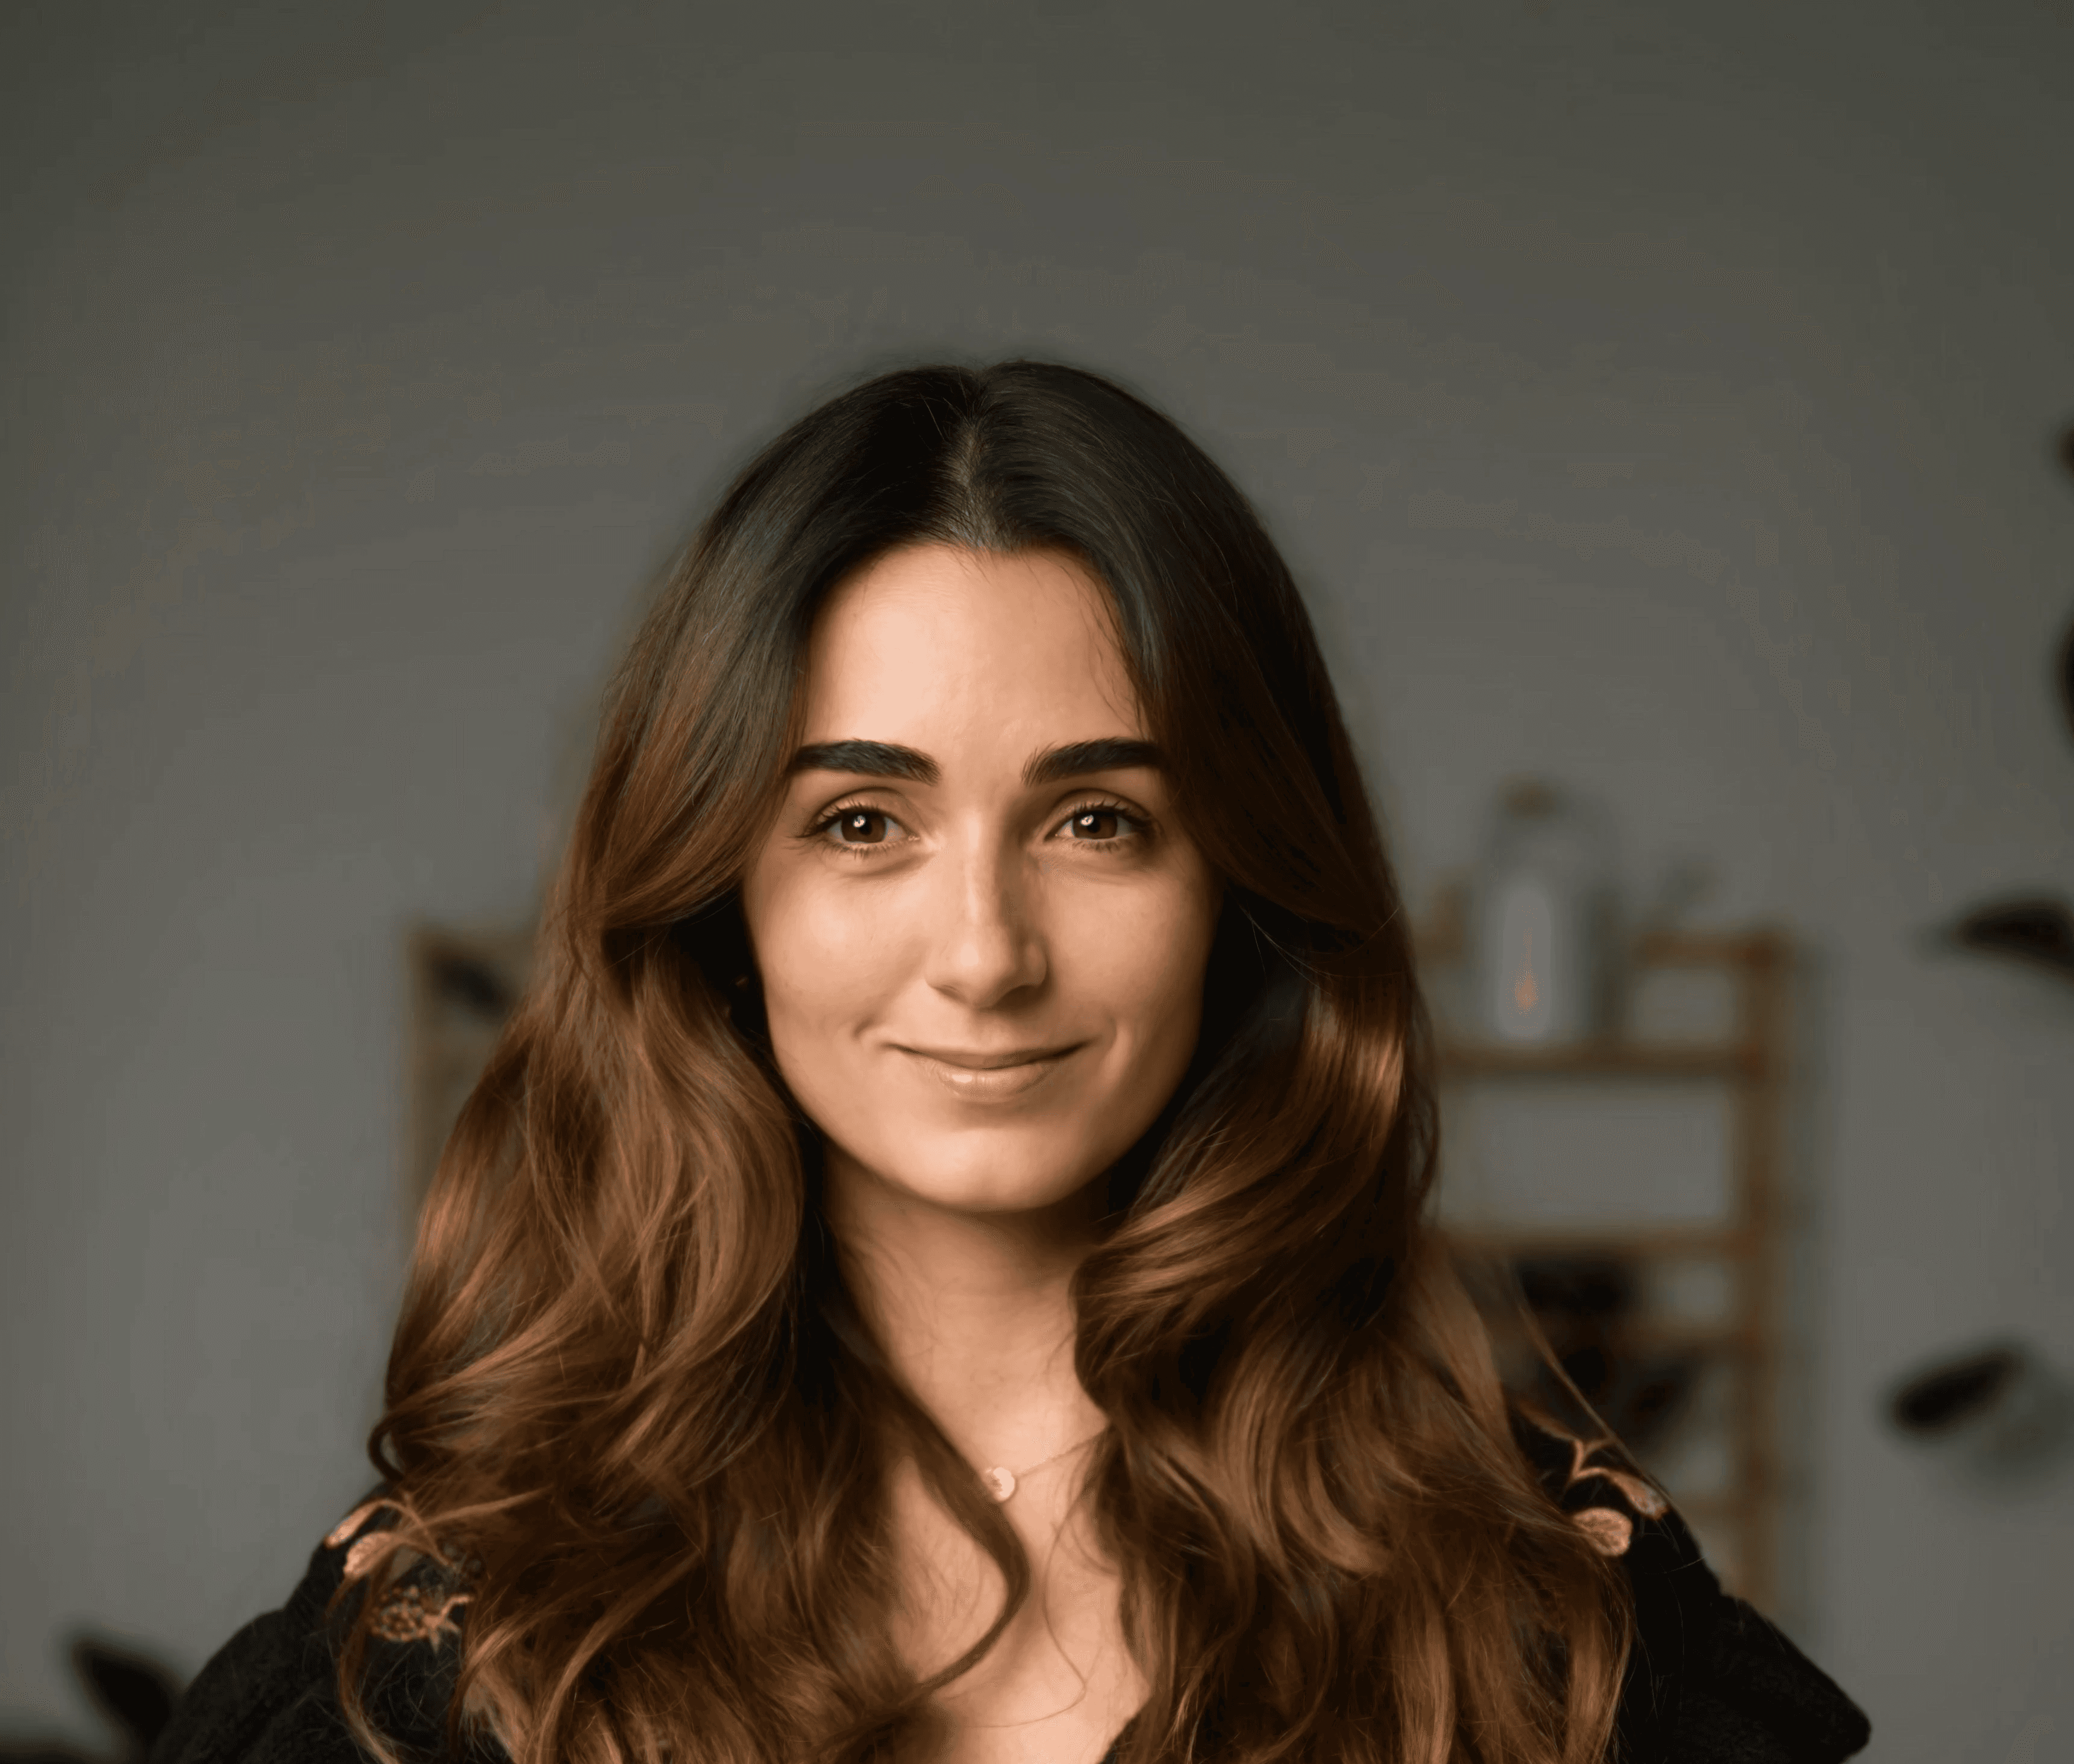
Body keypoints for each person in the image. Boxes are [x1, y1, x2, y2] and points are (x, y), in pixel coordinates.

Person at [152, 362, 1871, 1764]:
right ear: (721, 894)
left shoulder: (1542, 1623)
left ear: (1241, 891)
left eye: (1099, 819)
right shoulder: (457, 1644)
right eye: (863, 821)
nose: (984, 952)